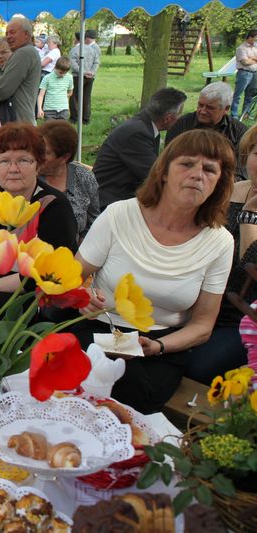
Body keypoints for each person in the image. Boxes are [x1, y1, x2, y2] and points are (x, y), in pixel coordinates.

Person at [75, 129, 235, 414]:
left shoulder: (219, 242)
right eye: (187, 164)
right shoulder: (120, 215)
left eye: (210, 169)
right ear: (163, 172)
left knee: (132, 388)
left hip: (160, 346)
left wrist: (159, 346)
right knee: (98, 377)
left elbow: (202, 325)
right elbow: (69, 277)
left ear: (219, 183)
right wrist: (80, 295)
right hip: (100, 328)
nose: (198, 175)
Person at [0, 122, 78, 288]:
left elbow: (50, 273)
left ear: (38, 165)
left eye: (23, 160)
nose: (13, 169)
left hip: (34, 302)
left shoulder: (54, 206)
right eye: (4, 161)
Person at [185, 126, 257, 383]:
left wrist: (250, 216)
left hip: (241, 317)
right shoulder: (227, 191)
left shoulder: (247, 206)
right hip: (195, 300)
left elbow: (248, 271)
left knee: (196, 368)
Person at [94, 87, 187, 210]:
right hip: (110, 202)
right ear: (167, 118)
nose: (180, 118)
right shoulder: (137, 133)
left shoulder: (144, 126)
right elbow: (155, 174)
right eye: (180, 115)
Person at [165, 82, 248, 180]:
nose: (202, 111)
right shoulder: (181, 125)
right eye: (200, 105)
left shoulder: (239, 132)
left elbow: (240, 172)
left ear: (226, 109)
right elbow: (168, 161)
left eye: (210, 108)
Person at [38, 120, 99, 237]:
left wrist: (84, 247)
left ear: (65, 157)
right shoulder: (30, 179)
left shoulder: (83, 177)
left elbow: (94, 221)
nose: (37, 156)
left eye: (45, 153)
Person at [0, 16, 41, 125]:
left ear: (26, 34)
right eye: (7, 33)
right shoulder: (30, 52)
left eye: (12, 32)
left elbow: (2, 90)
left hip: (18, 124)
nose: (8, 37)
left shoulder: (23, 53)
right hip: (23, 121)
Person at [69, 29, 101, 125]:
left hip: (78, 76)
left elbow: (72, 63)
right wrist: (92, 72)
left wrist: (83, 72)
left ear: (77, 39)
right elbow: (96, 62)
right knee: (86, 97)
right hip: (90, 77)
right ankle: (85, 118)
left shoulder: (74, 50)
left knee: (74, 97)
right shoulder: (92, 50)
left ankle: (75, 118)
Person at [37, 56, 73, 121]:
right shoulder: (47, 78)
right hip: (49, 110)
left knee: (62, 130)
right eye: (60, 72)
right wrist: (39, 109)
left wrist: (61, 96)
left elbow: (70, 92)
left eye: (65, 73)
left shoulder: (69, 77)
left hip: (63, 110)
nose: (63, 75)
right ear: (55, 68)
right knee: (50, 130)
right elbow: (41, 95)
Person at [231, 29, 257, 119]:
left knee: (250, 95)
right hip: (244, 73)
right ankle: (234, 115)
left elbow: (249, 60)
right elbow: (245, 62)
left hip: (254, 73)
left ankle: (245, 114)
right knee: (238, 95)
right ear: (250, 37)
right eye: (255, 38)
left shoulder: (255, 47)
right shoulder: (241, 48)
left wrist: (251, 58)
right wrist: (254, 59)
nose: (256, 41)